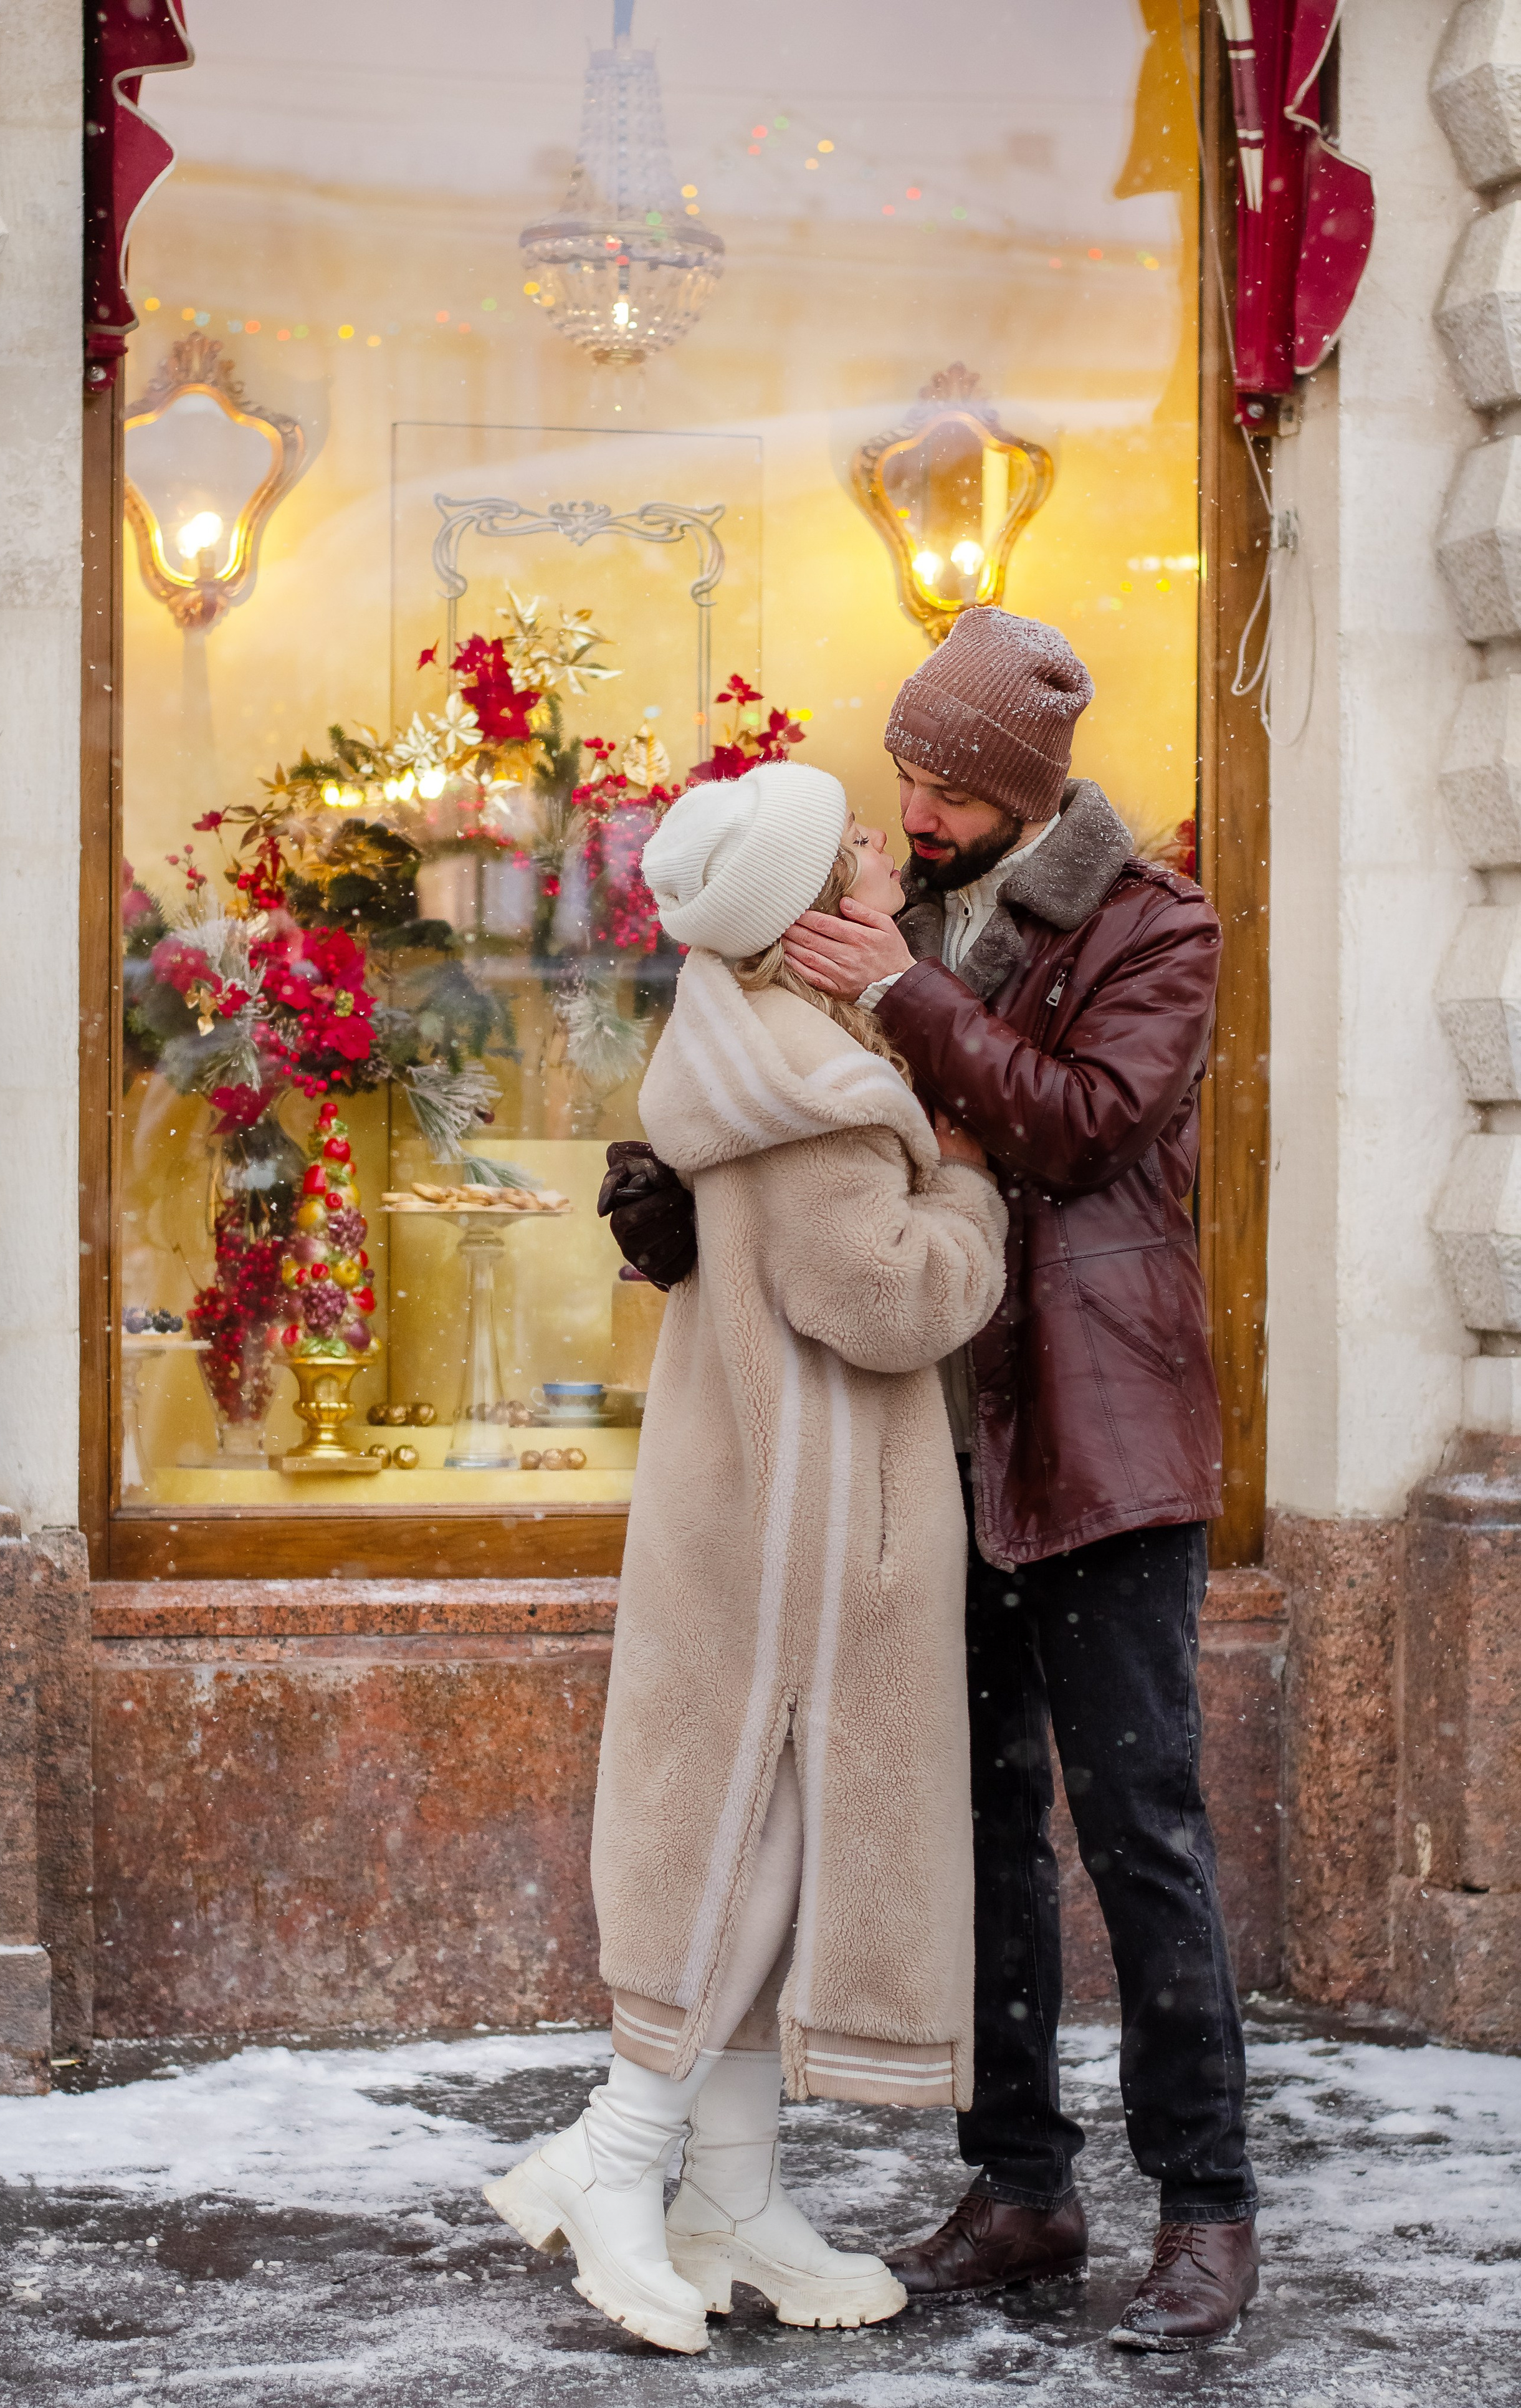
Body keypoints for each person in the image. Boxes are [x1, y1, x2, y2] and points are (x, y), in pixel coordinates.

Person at [603, 606, 1261, 2354]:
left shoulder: (1156, 923)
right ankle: (1023, 2181)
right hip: (930, 1434)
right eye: (906, 769)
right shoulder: (895, 913)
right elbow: (841, 1139)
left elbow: (1075, 1120)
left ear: (1019, 788)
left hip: (1101, 1438)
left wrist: (897, 986)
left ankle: (1206, 2208)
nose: (914, 798)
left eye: (942, 781)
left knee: (1142, 1833)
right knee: (977, 1828)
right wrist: (687, 1196)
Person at [485, 760, 1007, 2356]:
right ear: (805, 912)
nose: (879, 845)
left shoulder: (765, 1047)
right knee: (746, 1848)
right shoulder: (815, 1093)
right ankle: (613, 2165)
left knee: (762, 1849)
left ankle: (728, 2188)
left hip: (771, 1513)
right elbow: (895, 1299)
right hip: (801, 1539)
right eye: (849, 837)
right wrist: (972, 1190)